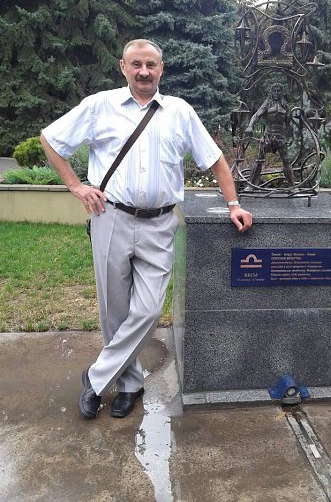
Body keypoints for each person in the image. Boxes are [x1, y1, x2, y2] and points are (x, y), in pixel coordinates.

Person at [40, 39, 252, 420]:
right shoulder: (99, 105)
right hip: (111, 218)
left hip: (159, 224)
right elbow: (50, 139)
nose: (143, 71)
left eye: (150, 65)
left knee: (149, 309)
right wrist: (75, 186)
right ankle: (129, 384)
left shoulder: (179, 112)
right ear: (123, 67)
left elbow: (216, 159)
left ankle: (96, 377)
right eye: (136, 64)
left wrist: (233, 204)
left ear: (161, 69)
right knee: (114, 311)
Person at [244, 82, 295, 187]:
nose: (276, 93)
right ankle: (251, 186)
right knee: (259, 160)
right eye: (274, 91)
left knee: (286, 161)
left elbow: (289, 124)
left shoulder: (285, 106)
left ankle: (292, 186)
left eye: (278, 91)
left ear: (281, 92)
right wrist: (250, 126)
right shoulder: (267, 104)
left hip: (280, 136)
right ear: (271, 92)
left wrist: (291, 136)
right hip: (268, 136)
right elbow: (256, 116)